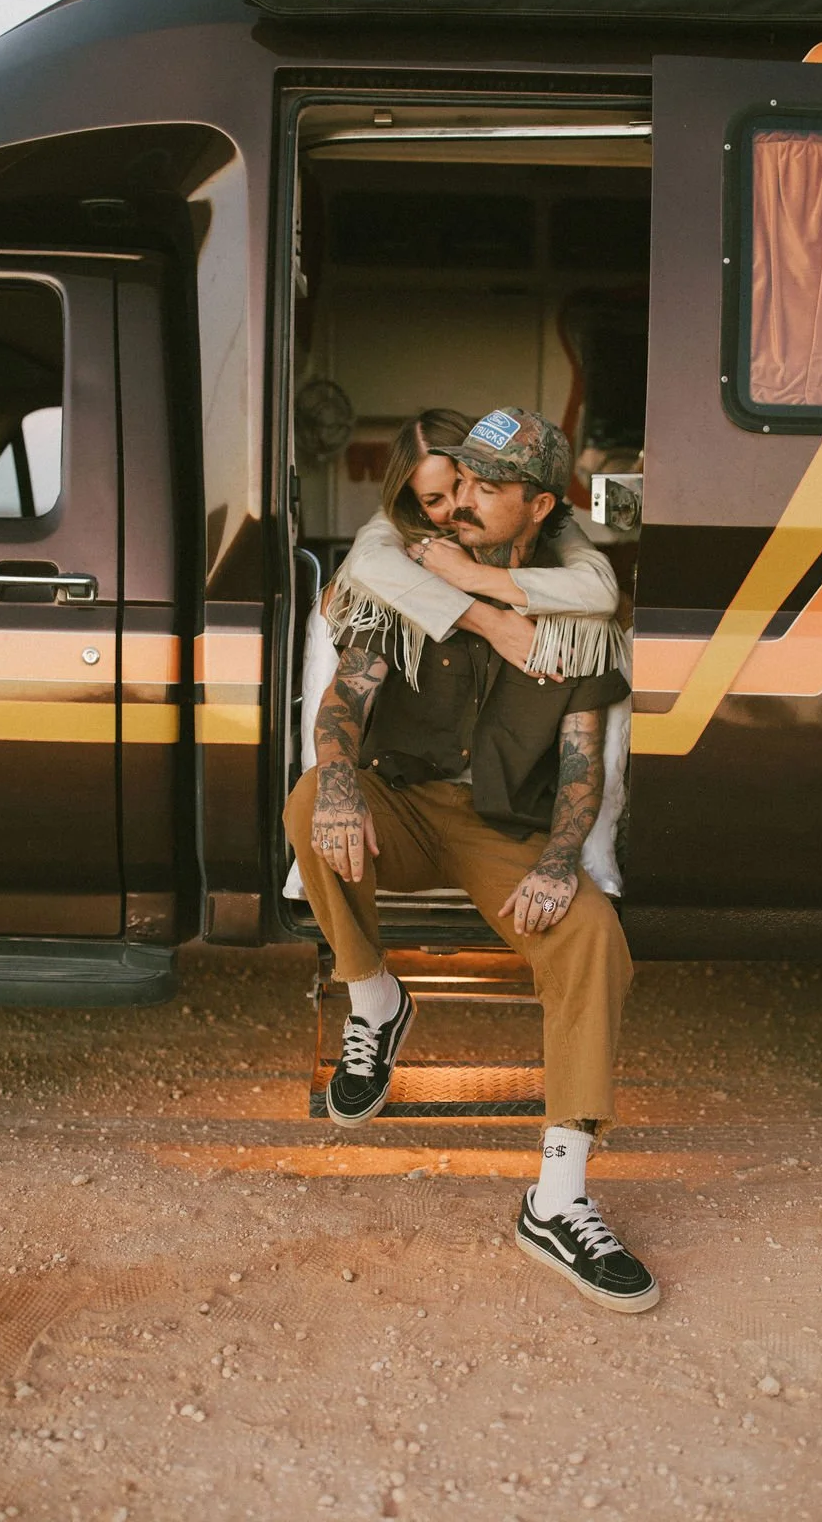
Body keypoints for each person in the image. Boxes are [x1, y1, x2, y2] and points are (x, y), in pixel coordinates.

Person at [285, 408, 658, 1314]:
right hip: (405, 808)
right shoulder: (405, 577)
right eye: (459, 485)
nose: (461, 505)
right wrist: (337, 781)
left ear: (537, 507)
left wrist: (561, 860)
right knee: (310, 805)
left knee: (591, 938)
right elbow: (344, 701)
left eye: (487, 490)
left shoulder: (576, 613)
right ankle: (375, 996)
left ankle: (558, 1197)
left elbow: (581, 761)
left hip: (503, 833)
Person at [326, 408, 627, 689]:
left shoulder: (536, 515)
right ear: (416, 505)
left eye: (464, 483)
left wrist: (469, 574)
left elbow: (599, 589)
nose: (459, 504)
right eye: (433, 500)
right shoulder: (397, 523)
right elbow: (367, 564)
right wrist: (491, 623)